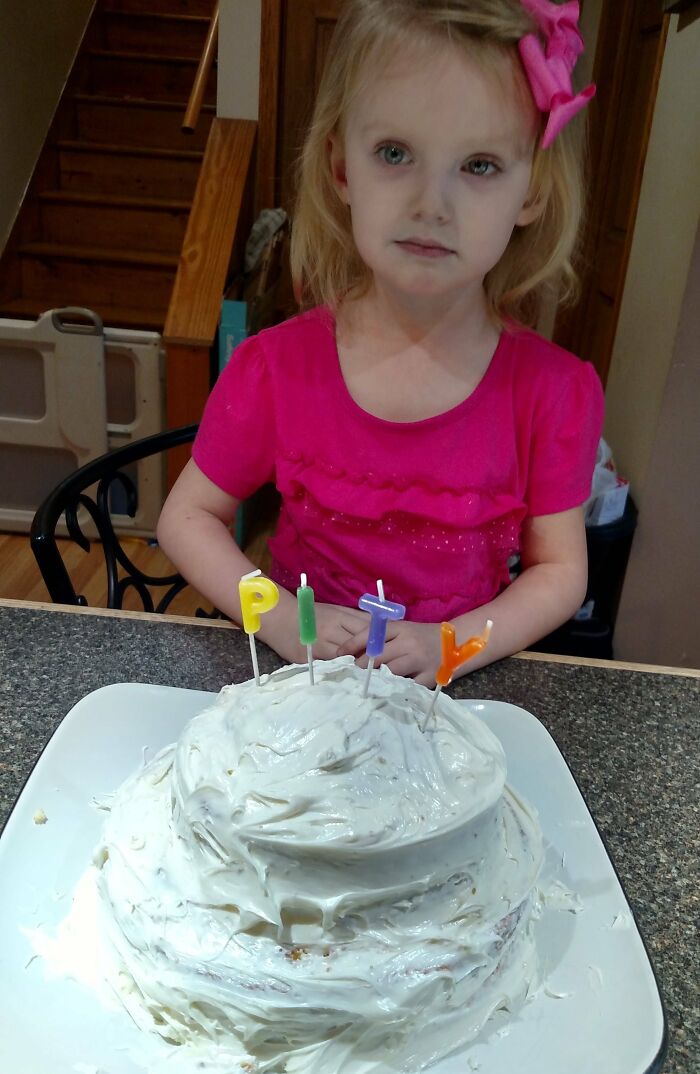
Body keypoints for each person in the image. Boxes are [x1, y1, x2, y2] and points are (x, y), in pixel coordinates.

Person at [157, 0, 604, 686]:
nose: (433, 202)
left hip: (457, 700)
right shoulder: (274, 368)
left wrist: (450, 644)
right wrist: (275, 615)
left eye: (479, 165)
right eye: (395, 153)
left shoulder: (553, 393)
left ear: (532, 193)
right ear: (341, 168)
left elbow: (560, 570)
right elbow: (188, 518)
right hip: (296, 691)